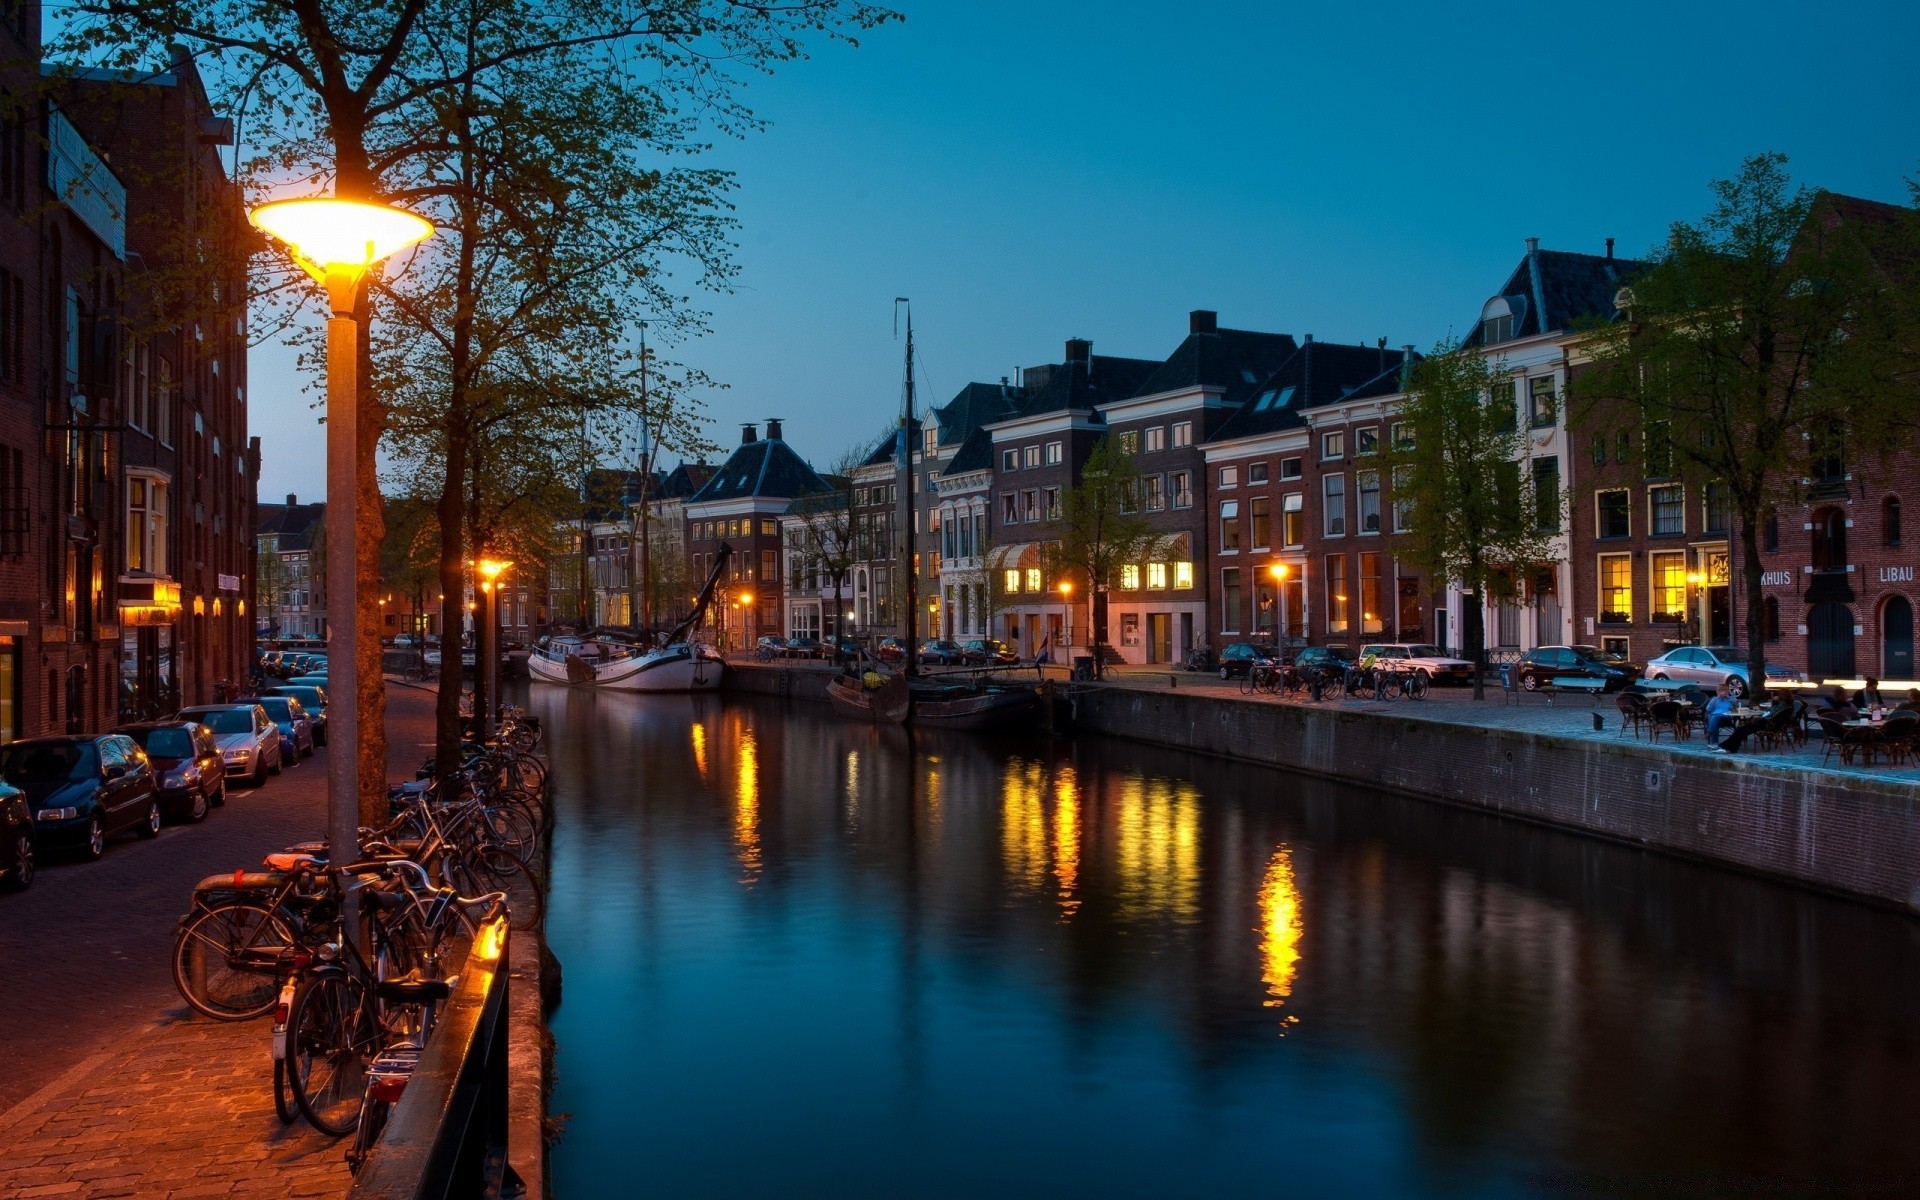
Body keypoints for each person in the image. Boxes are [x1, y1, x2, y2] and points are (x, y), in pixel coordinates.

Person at [1714, 697, 1793, 754]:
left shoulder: (1781, 705)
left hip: (1766, 724)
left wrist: (1760, 717)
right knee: (1741, 729)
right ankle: (1727, 746)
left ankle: (1729, 747)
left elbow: (1771, 714)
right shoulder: (1785, 705)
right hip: (1767, 723)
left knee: (1741, 730)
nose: (1776, 696)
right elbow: (1772, 713)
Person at [1703, 683, 1738, 747]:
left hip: (1726, 717)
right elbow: (1708, 709)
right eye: (1722, 690)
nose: (1724, 692)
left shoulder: (1732, 698)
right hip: (1714, 717)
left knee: (1714, 718)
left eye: (1726, 690)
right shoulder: (1714, 699)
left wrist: (1729, 699)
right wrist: (1717, 698)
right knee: (1715, 718)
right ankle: (1714, 744)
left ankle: (1709, 734)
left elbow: (1736, 710)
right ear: (1718, 691)